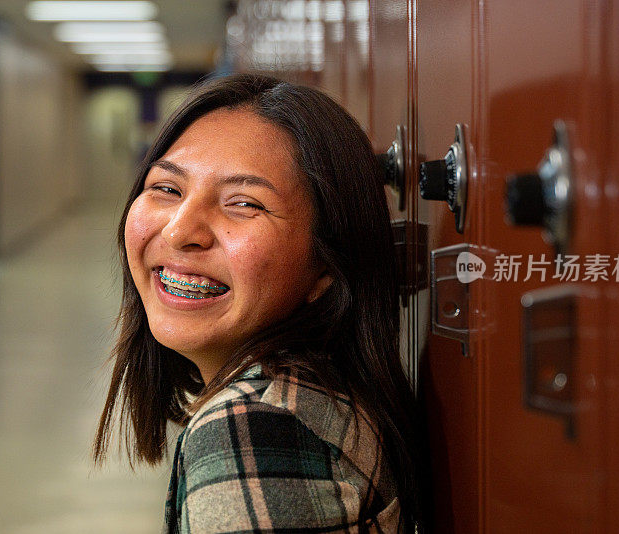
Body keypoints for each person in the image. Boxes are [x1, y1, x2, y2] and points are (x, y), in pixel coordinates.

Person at [94, 73, 424, 533]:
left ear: (327, 265)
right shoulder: (308, 394)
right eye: (167, 189)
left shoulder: (253, 427)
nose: (178, 231)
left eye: (244, 204)